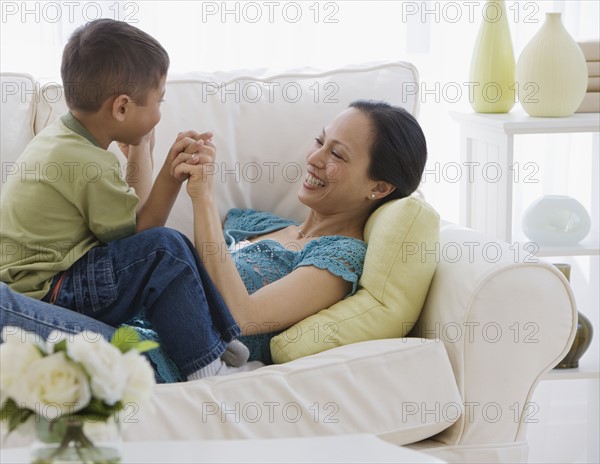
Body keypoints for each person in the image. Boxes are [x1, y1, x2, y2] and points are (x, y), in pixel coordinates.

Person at [0, 19, 244, 382]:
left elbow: (131, 229)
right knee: (166, 250)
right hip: (50, 292)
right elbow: (141, 237)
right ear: (121, 108)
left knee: (166, 249)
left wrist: (141, 148)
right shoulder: (86, 163)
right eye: (159, 101)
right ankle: (206, 365)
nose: (160, 111)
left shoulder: (64, 138)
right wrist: (169, 176)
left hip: (59, 276)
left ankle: (214, 337)